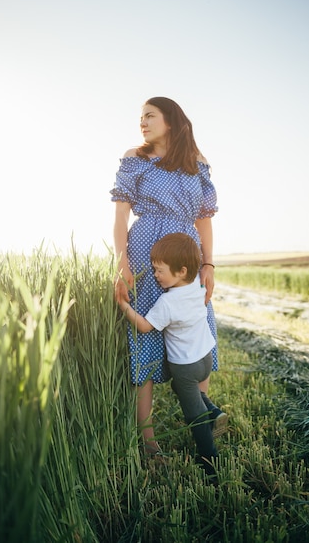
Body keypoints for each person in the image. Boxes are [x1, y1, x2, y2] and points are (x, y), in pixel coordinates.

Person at [111, 96, 225, 455]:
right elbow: (119, 219)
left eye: (150, 116)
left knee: (195, 324)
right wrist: (122, 261)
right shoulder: (136, 158)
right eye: (140, 117)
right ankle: (148, 441)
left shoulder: (197, 162)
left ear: (171, 121)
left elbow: (204, 220)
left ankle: (202, 419)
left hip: (188, 254)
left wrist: (208, 264)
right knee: (145, 336)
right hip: (147, 253)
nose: (142, 122)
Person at [118, 232, 224, 477]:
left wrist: (124, 305)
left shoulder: (167, 303)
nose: (155, 275)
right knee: (182, 389)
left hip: (185, 368)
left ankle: (210, 460)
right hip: (205, 358)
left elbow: (144, 326)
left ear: (182, 271)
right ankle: (214, 411)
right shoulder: (198, 284)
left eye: (160, 270)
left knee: (193, 415)